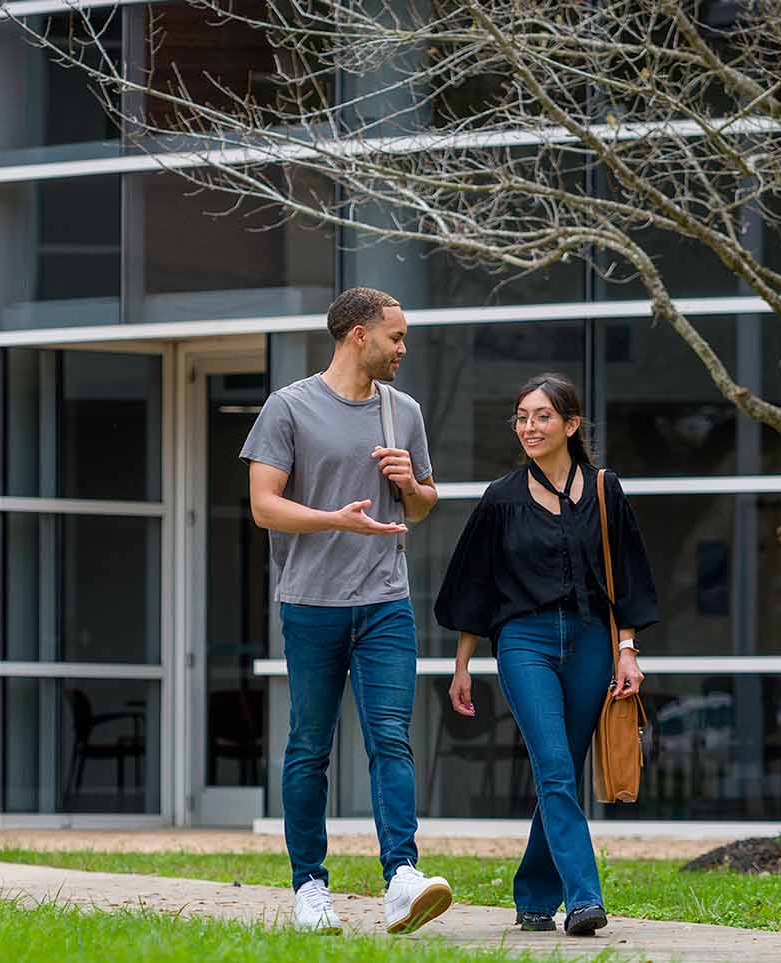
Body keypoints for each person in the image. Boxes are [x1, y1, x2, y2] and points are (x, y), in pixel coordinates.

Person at [239, 287, 454, 935]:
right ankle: (309, 886)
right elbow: (263, 504)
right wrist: (332, 519)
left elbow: (422, 505)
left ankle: (401, 877)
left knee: (390, 737)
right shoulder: (290, 407)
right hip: (312, 605)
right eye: (395, 336)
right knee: (309, 746)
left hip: (385, 600)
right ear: (358, 335)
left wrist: (410, 486)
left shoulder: (403, 411)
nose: (402, 349)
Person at [433, 372, 659, 937]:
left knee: (564, 771)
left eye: (541, 417)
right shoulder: (502, 498)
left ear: (570, 424)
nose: (529, 427)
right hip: (523, 641)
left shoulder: (605, 491)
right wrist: (462, 665)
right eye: (522, 417)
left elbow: (627, 576)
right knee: (554, 768)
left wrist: (627, 650)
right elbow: (475, 586)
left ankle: (533, 897)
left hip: (589, 643)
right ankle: (585, 899)